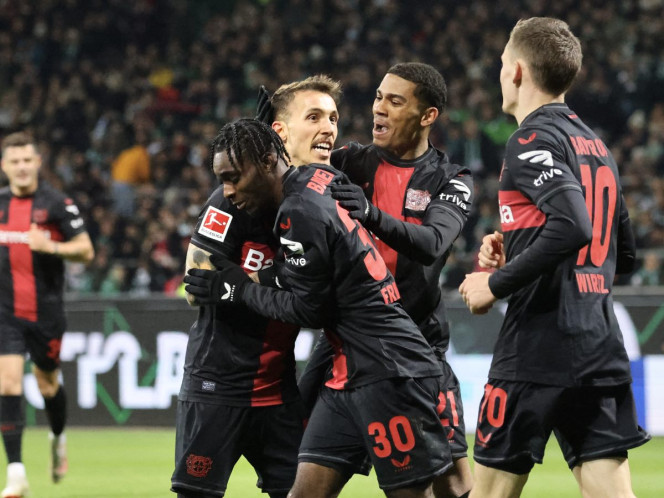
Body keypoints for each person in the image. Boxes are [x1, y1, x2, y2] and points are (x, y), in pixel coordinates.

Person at [183, 118, 453, 498]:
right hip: (347, 370)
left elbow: (308, 309)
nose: (227, 191)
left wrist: (239, 290)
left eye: (233, 178)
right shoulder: (317, 179)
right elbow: (314, 269)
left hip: (389, 368)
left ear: (267, 161)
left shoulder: (297, 211)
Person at [458, 17, 651, 498]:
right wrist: (520, 247)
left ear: (517, 71)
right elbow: (622, 254)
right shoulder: (596, 146)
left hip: (536, 348)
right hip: (599, 346)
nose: (500, 73)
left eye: (502, 63)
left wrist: (494, 283)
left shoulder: (530, 140)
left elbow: (573, 226)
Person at [284, 62, 474, 498]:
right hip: (348, 349)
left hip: (414, 353)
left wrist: (370, 213)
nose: (379, 109)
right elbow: (290, 170)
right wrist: (275, 129)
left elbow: (432, 243)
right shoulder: (348, 162)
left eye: (395, 101)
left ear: (427, 116)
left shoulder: (451, 179)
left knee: (452, 487)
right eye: (378, 97)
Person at [170, 75, 342, 498]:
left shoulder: (323, 196)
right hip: (216, 386)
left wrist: (249, 280)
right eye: (314, 117)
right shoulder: (231, 199)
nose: (328, 129)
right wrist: (284, 278)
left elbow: (315, 287)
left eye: (333, 119)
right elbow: (197, 282)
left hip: (278, 390)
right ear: (280, 133)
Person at [0, 132, 95, 497]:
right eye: (15, 161)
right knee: (8, 383)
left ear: (38, 162)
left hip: (46, 314)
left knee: (47, 384)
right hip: (6, 313)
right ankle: (16, 473)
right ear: (5, 166)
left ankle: (58, 437)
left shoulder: (57, 203)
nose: (22, 167)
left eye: (27, 160)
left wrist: (50, 246)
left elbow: (85, 251)